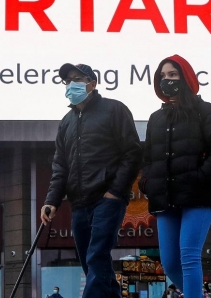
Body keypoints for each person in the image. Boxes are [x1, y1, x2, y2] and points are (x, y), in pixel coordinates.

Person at [42, 63, 143, 298]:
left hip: (107, 199)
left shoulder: (114, 110)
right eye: (68, 81)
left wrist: (116, 192)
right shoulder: (66, 122)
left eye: (78, 78)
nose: (72, 84)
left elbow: (133, 153)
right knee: (93, 263)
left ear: (93, 83)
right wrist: (51, 200)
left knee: (96, 254)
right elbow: (60, 166)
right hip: (79, 203)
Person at [140, 55, 211, 298]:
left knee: (189, 256)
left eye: (172, 75)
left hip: (198, 195)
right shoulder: (156, 118)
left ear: (186, 78)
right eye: (162, 76)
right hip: (165, 198)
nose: (166, 80)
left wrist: (201, 176)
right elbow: (147, 158)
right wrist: (147, 182)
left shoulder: (204, 110)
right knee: (170, 262)